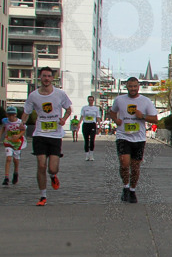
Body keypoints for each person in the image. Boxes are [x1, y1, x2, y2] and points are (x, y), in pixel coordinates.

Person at [21, 66, 72, 206]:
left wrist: (64, 119)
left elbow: (68, 109)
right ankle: (42, 196)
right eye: (44, 76)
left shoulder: (60, 94)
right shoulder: (33, 95)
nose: (47, 78)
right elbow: (26, 111)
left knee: (52, 168)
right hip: (39, 134)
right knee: (41, 165)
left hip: (55, 136)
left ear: (52, 78)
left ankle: (53, 176)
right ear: (40, 78)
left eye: (49, 76)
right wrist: (22, 123)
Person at [108, 77, 160, 203]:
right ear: (127, 87)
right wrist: (116, 120)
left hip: (139, 138)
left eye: (135, 86)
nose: (132, 89)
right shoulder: (120, 100)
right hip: (123, 136)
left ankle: (132, 190)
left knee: (135, 167)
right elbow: (112, 112)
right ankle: (125, 187)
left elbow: (155, 119)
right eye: (130, 86)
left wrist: (142, 116)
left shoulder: (145, 101)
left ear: (138, 87)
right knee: (124, 164)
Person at [3, 106, 25, 186]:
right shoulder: (5, 122)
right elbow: (3, 128)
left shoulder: (19, 122)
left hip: (17, 143)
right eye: (9, 115)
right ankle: (6, 177)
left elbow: (23, 130)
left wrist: (18, 135)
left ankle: (16, 173)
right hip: (8, 141)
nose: (11, 117)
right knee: (8, 158)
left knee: (15, 160)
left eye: (12, 115)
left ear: (15, 114)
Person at [81, 96, 102, 160]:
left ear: (93, 101)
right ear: (88, 100)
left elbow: (98, 118)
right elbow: (82, 116)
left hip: (92, 124)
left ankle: (91, 155)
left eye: (91, 100)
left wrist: (99, 126)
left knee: (92, 140)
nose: (90, 101)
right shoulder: (84, 108)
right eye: (89, 100)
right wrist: (79, 124)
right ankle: (87, 155)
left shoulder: (96, 108)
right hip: (85, 124)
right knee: (86, 140)